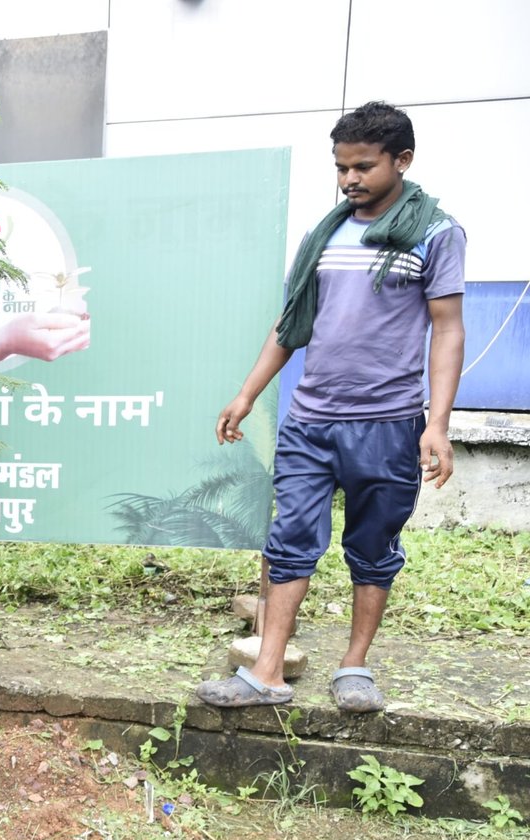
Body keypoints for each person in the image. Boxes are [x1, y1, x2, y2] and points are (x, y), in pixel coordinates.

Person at [197, 101, 465, 713]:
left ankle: (355, 667)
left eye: (363, 167)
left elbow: (448, 330)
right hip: (312, 420)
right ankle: (267, 673)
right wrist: (247, 394)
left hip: (389, 423)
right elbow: (290, 326)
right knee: (290, 539)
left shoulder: (437, 233)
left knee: (373, 547)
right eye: (341, 168)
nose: (349, 180)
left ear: (403, 160)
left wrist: (439, 425)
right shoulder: (325, 234)